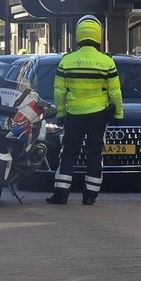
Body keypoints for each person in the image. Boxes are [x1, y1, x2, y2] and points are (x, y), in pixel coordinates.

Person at [47, 15, 124, 206]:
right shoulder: (107, 62)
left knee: (68, 153)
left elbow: (59, 91)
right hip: (99, 115)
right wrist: (119, 114)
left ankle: (61, 194)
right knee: (95, 153)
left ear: (78, 35)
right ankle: (90, 196)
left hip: (74, 115)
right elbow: (115, 91)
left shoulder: (67, 61)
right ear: (98, 35)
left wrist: (61, 113)